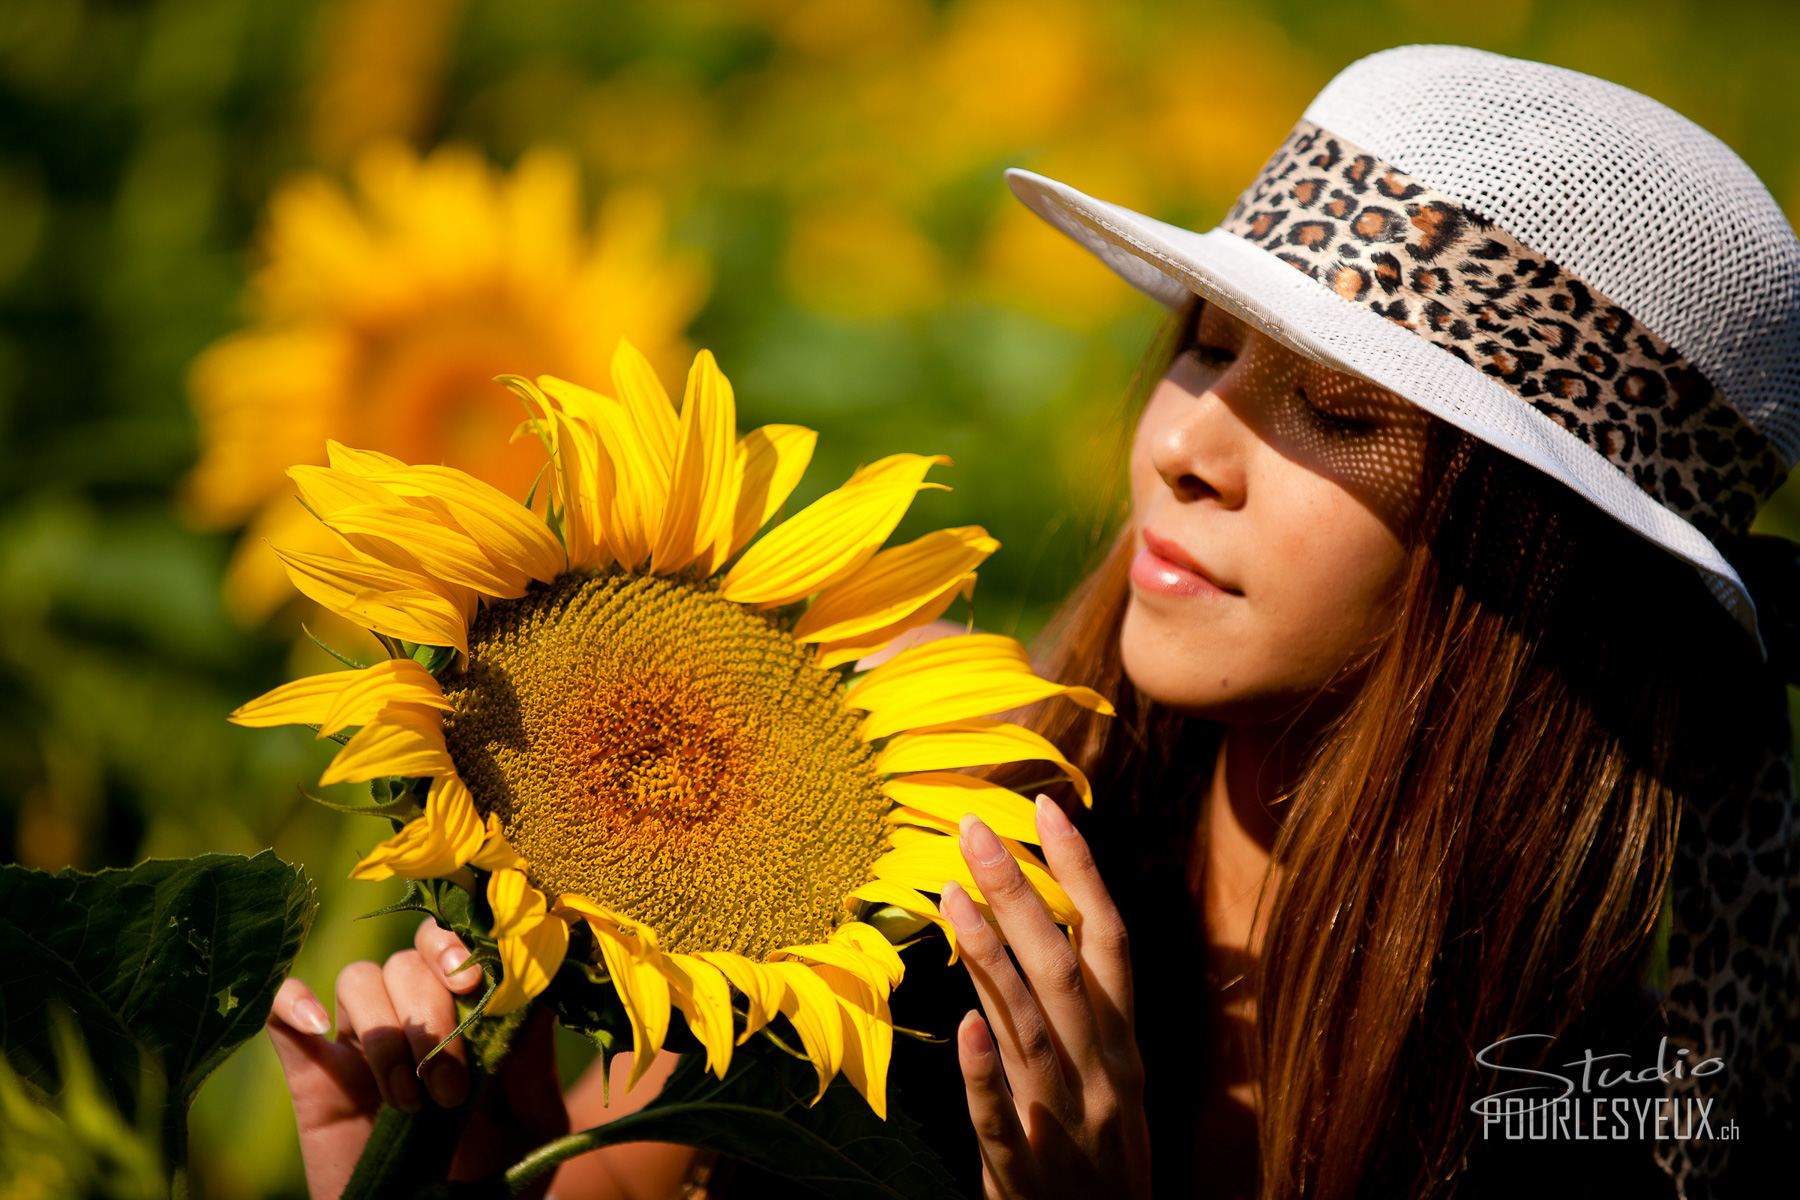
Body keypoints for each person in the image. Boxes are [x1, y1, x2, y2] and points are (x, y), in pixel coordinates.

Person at [265, 43, 1800, 1199]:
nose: (1186, 447)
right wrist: (452, 1169)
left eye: (1335, 410)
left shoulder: (1602, 1123)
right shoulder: (904, 843)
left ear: (1542, 573)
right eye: (1205, 347)